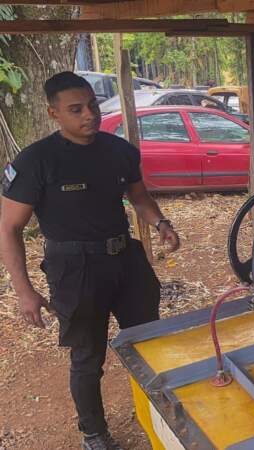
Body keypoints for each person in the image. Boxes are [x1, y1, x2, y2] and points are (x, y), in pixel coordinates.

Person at [0, 72, 180, 450]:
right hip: (75, 269)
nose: (90, 115)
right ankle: (94, 435)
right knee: (88, 357)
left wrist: (160, 222)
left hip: (127, 261)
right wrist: (25, 292)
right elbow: (9, 229)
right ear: (54, 113)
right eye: (76, 109)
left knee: (148, 342)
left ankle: (158, 416)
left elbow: (139, 196)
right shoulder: (36, 162)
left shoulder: (119, 151)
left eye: (93, 105)